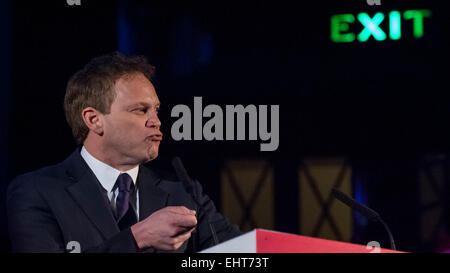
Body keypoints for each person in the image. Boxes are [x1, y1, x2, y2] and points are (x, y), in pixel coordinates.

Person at [7, 52, 241, 253]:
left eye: (156, 110)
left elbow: (240, 253)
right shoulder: (37, 192)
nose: (156, 121)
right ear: (94, 120)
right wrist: (138, 237)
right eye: (141, 110)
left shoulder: (184, 191)